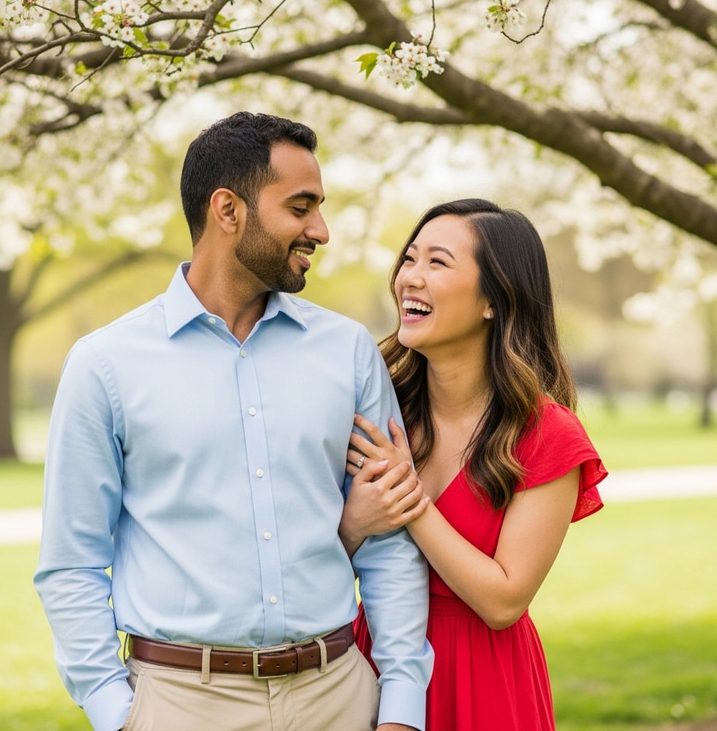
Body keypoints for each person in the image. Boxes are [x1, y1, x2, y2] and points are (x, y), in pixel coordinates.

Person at [34, 112, 432, 731]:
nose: (320, 230)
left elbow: (389, 537)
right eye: (300, 207)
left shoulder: (348, 353)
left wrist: (403, 705)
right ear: (228, 210)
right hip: (179, 705)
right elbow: (72, 564)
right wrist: (119, 714)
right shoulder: (105, 365)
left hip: (340, 697)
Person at [339, 199, 607, 731]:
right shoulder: (378, 407)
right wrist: (351, 528)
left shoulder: (545, 434)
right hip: (375, 663)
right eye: (410, 259)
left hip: (485, 681)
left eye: (437, 263)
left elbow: (504, 599)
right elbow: (311, 560)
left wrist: (408, 500)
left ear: (493, 299)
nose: (410, 278)